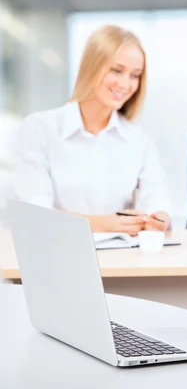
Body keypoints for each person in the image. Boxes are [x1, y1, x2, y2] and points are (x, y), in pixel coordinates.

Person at [11, 25, 171, 236]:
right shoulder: (40, 129)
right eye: (116, 70)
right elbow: (35, 215)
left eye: (135, 75)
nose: (125, 84)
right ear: (91, 67)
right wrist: (104, 224)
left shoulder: (138, 139)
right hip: (57, 255)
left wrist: (160, 219)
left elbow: (156, 198)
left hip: (124, 260)